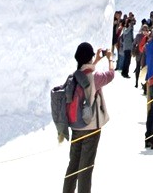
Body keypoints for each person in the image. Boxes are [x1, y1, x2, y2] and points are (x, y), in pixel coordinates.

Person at [63, 42, 114, 193]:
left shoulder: (74, 76)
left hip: (76, 126)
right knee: (85, 169)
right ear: (89, 58)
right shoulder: (96, 77)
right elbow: (110, 75)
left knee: (73, 166)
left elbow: (87, 71)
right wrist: (110, 58)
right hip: (91, 128)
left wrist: (96, 60)